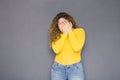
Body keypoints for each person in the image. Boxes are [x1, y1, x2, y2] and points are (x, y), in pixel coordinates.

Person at [48, 12, 86, 80]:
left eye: (64, 21)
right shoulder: (56, 35)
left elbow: (77, 48)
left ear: (70, 22)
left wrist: (70, 32)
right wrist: (65, 33)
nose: (62, 23)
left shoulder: (80, 31)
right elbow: (56, 50)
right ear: (57, 26)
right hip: (58, 68)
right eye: (60, 22)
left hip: (75, 68)